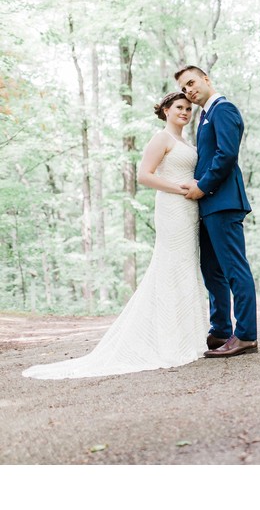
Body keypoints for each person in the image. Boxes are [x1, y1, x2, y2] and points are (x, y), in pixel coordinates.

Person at [23, 92, 208, 379]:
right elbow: (144, 175)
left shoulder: (187, 142)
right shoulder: (162, 139)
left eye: (188, 108)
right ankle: (168, 341)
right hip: (173, 206)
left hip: (189, 210)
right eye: (179, 108)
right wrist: (180, 188)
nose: (185, 112)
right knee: (170, 267)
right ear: (167, 111)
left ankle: (188, 337)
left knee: (185, 267)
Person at [175, 66, 258, 358]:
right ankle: (220, 330)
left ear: (206, 80)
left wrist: (203, 187)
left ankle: (246, 335)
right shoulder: (205, 116)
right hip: (208, 205)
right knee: (212, 272)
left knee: (235, 269)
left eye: (192, 83)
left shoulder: (224, 109)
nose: (189, 90)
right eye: (184, 89)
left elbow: (227, 155)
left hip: (223, 201)